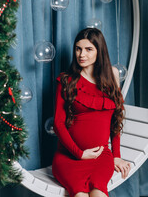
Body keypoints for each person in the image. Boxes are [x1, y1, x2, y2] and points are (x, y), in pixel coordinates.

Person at [52, 28, 131, 197]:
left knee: (99, 193)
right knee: (79, 194)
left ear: (99, 51)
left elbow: (115, 121)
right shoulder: (66, 80)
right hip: (69, 157)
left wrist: (116, 155)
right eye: (78, 49)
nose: (82, 54)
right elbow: (58, 124)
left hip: (100, 156)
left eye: (89, 49)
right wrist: (79, 154)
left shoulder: (112, 76)